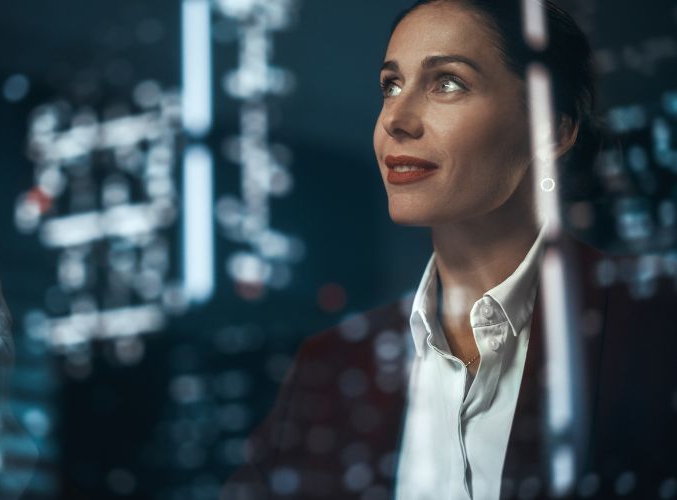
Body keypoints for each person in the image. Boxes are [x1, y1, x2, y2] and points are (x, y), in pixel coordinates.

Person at [220, 1, 677, 499]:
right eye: (390, 85)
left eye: (447, 83)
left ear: (551, 128)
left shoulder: (656, 324)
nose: (397, 117)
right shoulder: (328, 368)